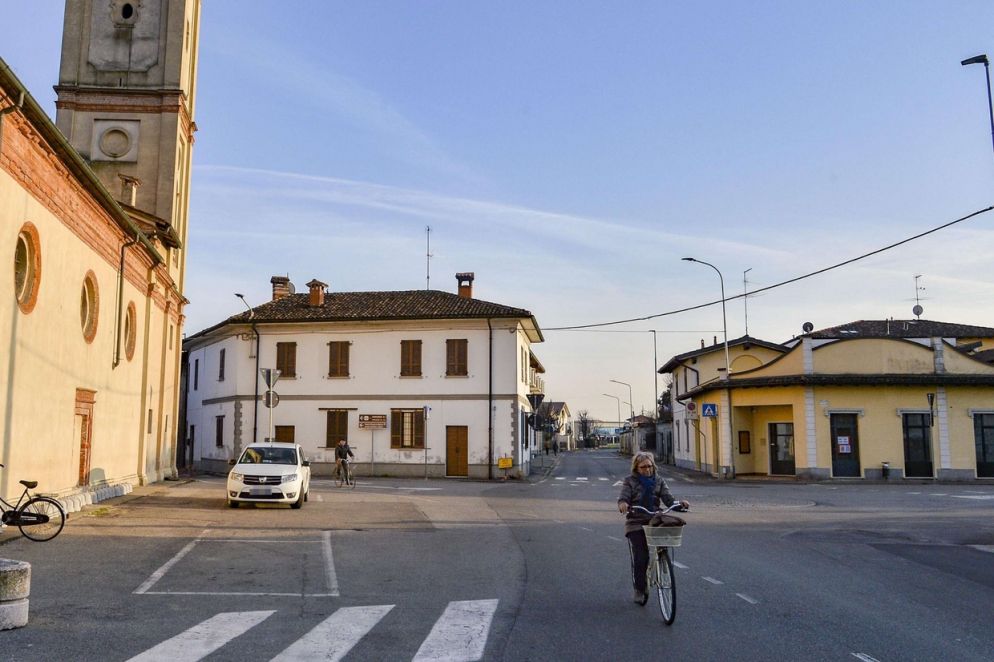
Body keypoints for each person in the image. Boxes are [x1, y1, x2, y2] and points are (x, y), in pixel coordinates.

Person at [617, 451, 690, 606]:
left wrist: (680, 504)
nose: (647, 470)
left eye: (649, 466)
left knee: (664, 539)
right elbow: (624, 497)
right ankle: (639, 589)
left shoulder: (659, 481)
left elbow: (668, 499)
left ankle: (661, 562)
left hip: (653, 519)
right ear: (636, 468)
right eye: (643, 467)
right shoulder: (630, 481)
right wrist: (623, 504)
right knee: (641, 555)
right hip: (636, 520)